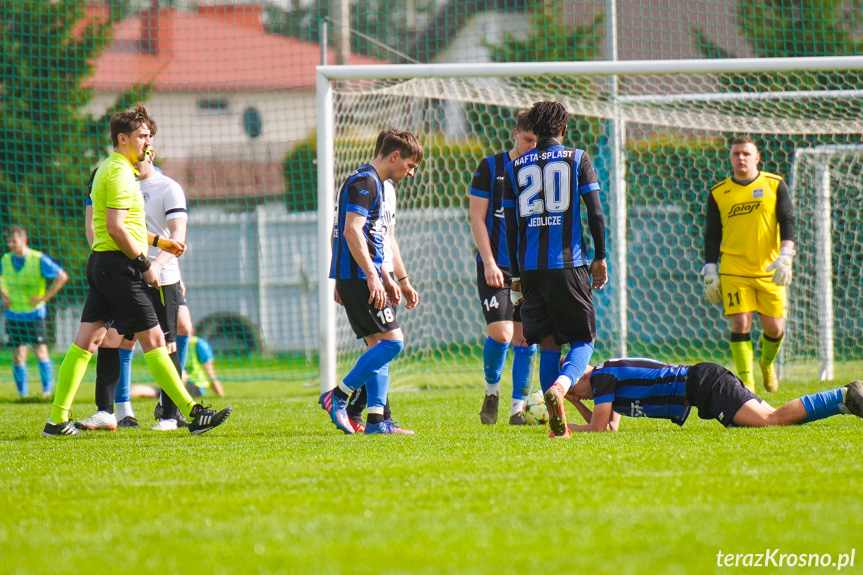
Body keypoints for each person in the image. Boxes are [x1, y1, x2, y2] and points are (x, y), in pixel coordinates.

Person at [41, 103, 231, 436]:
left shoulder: (114, 168)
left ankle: (57, 421)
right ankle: (192, 411)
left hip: (104, 265)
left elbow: (122, 226)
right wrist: (144, 264)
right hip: (119, 268)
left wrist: (160, 241)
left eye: (149, 135)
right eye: (142, 135)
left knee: (87, 341)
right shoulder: (117, 173)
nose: (148, 142)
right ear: (123, 138)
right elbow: (115, 227)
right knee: (155, 338)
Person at [502, 101, 607, 438]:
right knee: (583, 339)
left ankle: (554, 425)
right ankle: (560, 389)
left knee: (548, 342)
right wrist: (600, 256)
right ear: (564, 129)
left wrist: (516, 274)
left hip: (531, 270)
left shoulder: (515, 166)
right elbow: (595, 213)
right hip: (568, 263)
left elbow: (513, 228)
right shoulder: (577, 158)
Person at [76, 146, 192, 431]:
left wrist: (157, 265)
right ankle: (114, 409)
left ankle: (170, 414)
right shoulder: (115, 177)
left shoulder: (167, 187)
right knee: (112, 338)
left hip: (158, 275)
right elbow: (109, 226)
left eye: (147, 141)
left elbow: (175, 235)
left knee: (167, 340)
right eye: (141, 139)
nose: (144, 149)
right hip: (125, 272)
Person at [320, 129, 423, 435]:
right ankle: (337, 396)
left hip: (358, 275)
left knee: (378, 344)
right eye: (410, 164)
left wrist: (387, 277)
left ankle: (377, 421)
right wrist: (371, 276)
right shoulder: (365, 182)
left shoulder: (370, 182)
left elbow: (344, 232)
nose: (411, 172)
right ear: (395, 156)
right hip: (359, 276)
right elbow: (351, 230)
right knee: (393, 343)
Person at [702, 136, 795, 393]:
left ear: (757, 158)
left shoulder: (775, 185)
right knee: (740, 324)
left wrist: (785, 255)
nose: (740, 158)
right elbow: (712, 234)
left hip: (770, 269)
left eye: (745, 153)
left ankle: (766, 363)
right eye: (736, 154)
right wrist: (710, 269)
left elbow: (788, 221)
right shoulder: (719, 192)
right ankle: (747, 385)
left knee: (774, 328)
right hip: (734, 269)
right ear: (730, 158)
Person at [559, 358, 863, 435]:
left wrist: (562, 428)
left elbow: (598, 428)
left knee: (772, 420)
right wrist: (574, 402)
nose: (581, 397)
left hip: (706, 384)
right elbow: (608, 429)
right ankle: (846, 403)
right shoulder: (607, 383)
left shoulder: (602, 377)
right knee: (777, 421)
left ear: (582, 376)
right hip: (705, 385)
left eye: (573, 389)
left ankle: (846, 393)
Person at [470, 110, 538, 426]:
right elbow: (477, 218)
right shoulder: (491, 167)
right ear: (515, 134)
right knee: (502, 333)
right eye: (527, 139)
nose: (531, 146)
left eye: (537, 142)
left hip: (530, 269)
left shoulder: (540, 171)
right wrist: (488, 262)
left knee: (528, 339)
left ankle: (517, 410)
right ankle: (492, 392)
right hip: (496, 266)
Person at [0, 226, 68, 397]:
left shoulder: (37, 259)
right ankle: (23, 395)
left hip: (34, 314)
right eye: (8, 241)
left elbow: (62, 276)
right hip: (14, 314)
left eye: (13, 240)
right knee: (18, 355)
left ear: (24, 240)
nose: (10, 244)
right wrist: (4, 295)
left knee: (40, 352)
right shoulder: (6, 259)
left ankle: (46, 393)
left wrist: (44, 299)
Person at [130, 331, 224, 400]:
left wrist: (221, 394)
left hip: (195, 385)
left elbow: (211, 373)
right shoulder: (170, 344)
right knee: (140, 391)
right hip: (175, 381)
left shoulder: (198, 344)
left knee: (181, 374)